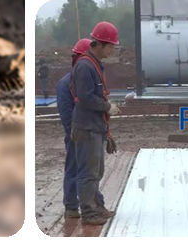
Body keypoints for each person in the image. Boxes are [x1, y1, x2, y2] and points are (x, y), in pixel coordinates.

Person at [71, 22, 121, 226]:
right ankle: (89, 213)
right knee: (88, 173)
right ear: (99, 44)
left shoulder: (93, 64)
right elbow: (85, 97)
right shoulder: (85, 66)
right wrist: (107, 107)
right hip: (87, 128)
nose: (112, 50)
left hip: (94, 127)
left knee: (96, 171)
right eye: (111, 46)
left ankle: (96, 207)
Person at [55, 38, 105, 219]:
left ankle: (97, 203)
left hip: (88, 130)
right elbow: (67, 113)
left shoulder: (87, 76)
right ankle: (71, 207)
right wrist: (75, 133)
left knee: (91, 171)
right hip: (77, 132)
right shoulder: (65, 83)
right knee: (76, 169)